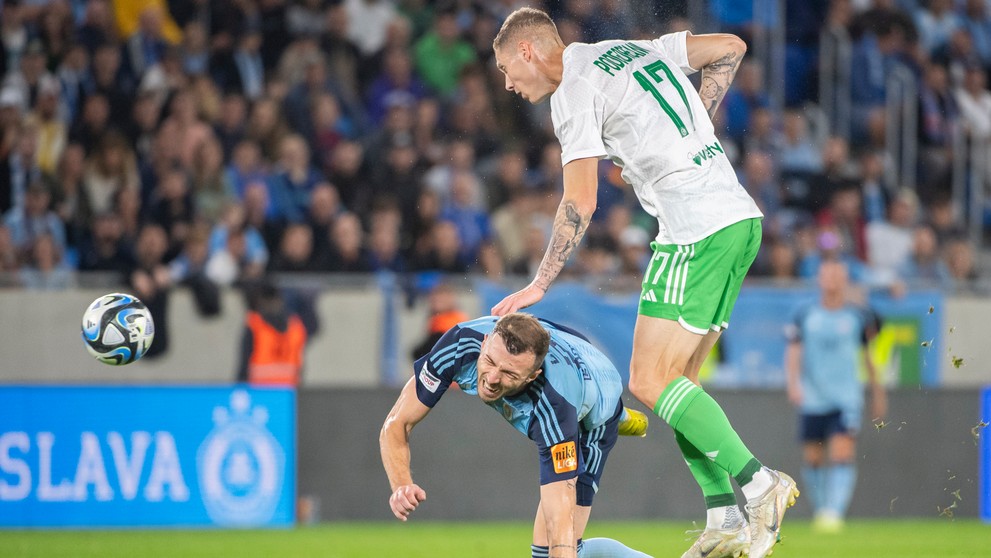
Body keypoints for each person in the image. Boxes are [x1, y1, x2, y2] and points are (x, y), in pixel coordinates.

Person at [489, 9, 798, 558]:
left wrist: (539, 283)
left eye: (507, 69)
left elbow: (580, 200)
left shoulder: (571, 94)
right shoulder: (627, 49)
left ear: (529, 52)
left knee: (649, 380)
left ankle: (758, 484)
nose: (508, 84)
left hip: (694, 229)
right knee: (680, 384)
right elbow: (730, 46)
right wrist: (694, 121)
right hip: (738, 219)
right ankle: (724, 516)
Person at [380, 313, 651, 558]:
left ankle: (619, 417)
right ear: (486, 341)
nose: (492, 378)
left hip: (595, 412)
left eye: (509, 373)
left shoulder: (555, 408)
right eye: (490, 361)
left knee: (556, 552)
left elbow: (560, 522)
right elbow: (396, 424)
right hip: (565, 345)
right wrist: (401, 483)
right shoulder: (459, 344)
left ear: (533, 376)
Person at [785, 258, 886, 531]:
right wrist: (793, 384)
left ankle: (834, 512)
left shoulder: (858, 316)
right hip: (813, 396)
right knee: (813, 459)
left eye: (837, 275)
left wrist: (878, 391)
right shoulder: (805, 313)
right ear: (819, 279)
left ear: (844, 280)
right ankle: (821, 510)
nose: (831, 279)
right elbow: (794, 351)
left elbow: (868, 357)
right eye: (826, 274)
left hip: (846, 398)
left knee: (842, 452)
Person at [236, 279, 308, 386]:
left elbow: (244, 365)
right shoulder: (296, 326)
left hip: (260, 393)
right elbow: (300, 366)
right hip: (288, 392)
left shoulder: (255, 325)